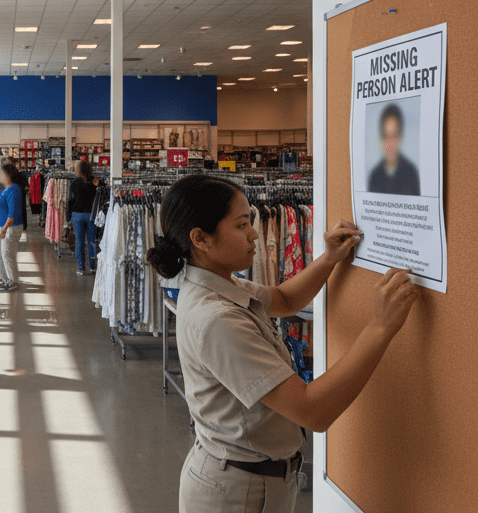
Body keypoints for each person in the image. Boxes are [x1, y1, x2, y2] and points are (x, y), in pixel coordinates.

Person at [145, 175, 419, 513]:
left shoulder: (220, 284)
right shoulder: (217, 319)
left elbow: (285, 299)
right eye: (242, 224)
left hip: (253, 479)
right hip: (235, 493)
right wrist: (380, 327)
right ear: (201, 239)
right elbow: (312, 410)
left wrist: (329, 258)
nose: (255, 234)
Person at [367, 102, 421, 196]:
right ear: (381, 139)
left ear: (400, 137)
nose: (390, 144)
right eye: (386, 136)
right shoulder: (374, 177)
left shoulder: (411, 174)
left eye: (394, 136)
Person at [0, 162, 25, 292]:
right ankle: (5, 279)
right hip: (4, 227)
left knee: (7, 255)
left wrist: (4, 229)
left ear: (8, 176)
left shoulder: (14, 190)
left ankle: (12, 281)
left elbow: (12, 215)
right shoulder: (7, 189)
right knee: (3, 255)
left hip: (9, 228)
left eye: (1, 174)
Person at [67, 159, 100, 275]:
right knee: (91, 241)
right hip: (91, 214)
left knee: (79, 242)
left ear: (79, 170)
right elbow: (103, 192)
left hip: (77, 214)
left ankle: (81, 268)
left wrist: (68, 217)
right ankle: (93, 267)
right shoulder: (95, 181)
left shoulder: (74, 183)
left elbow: (70, 201)